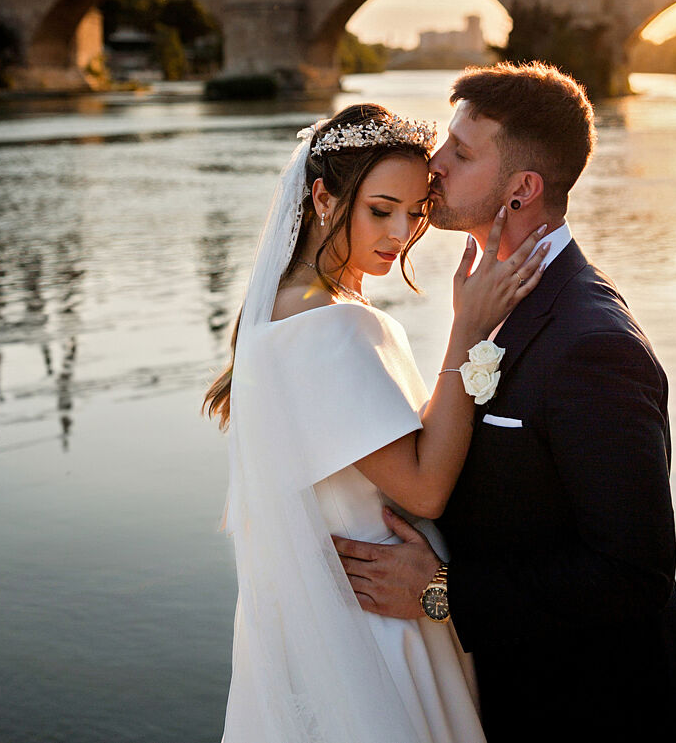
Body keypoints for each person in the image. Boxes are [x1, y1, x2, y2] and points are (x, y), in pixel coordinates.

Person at [334, 63, 676, 742]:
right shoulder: (491, 302)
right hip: (508, 696)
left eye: (461, 153)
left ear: (522, 190)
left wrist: (442, 592)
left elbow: (634, 572)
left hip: (594, 712)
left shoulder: (593, 344)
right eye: (445, 143)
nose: (432, 165)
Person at [206, 102, 550, 743]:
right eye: (380, 209)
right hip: (379, 628)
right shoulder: (332, 326)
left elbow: (386, 447)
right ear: (323, 198)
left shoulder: (286, 308)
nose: (400, 233)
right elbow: (422, 489)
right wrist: (467, 330)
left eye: (416, 213)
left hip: (326, 622)